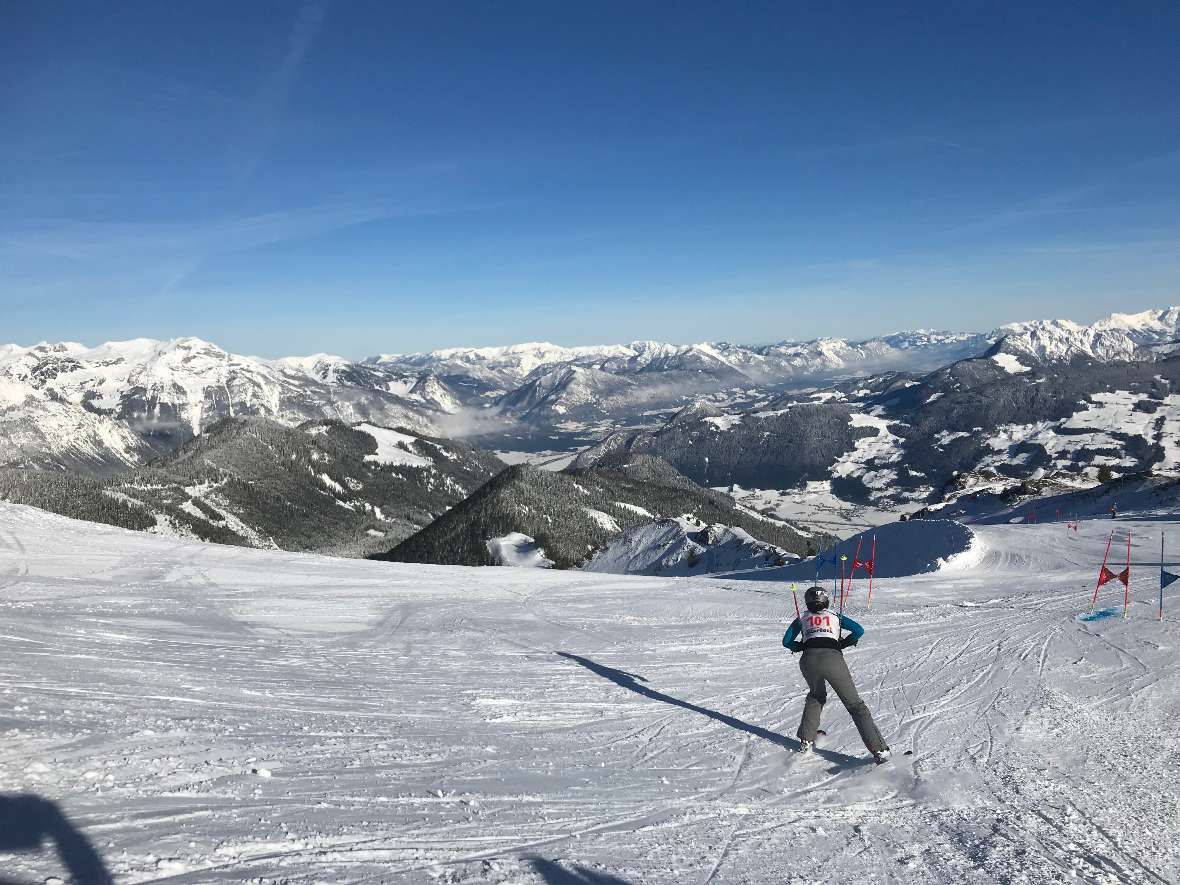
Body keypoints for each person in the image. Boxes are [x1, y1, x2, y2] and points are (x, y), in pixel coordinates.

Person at [783, 586, 890, 763]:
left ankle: (806, 740)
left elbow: (786, 642)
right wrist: (845, 643)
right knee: (855, 705)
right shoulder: (834, 616)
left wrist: (801, 646)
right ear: (826, 602)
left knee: (816, 696)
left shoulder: (802, 618)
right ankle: (880, 751)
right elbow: (859, 630)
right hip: (832, 658)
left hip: (808, 659)